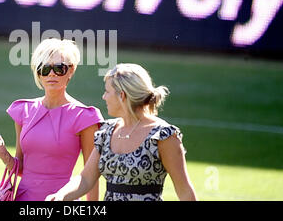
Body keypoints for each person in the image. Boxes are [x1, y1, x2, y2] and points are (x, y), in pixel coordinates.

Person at [46, 63, 197, 201]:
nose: (103, 97)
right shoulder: (106, 132)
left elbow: (184, 191)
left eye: (107, 92)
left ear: (122, 96)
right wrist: (60, 196)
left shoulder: (163, 135)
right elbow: (86, 179)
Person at [0, 38, 104, 201]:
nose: (52, 74)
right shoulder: (24, 110)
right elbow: (22, 169)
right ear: (38, 73)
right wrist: (2, 152)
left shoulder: (84, 116)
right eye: (45, 68)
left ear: (71, 70)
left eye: (59, 68)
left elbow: (90, 176)